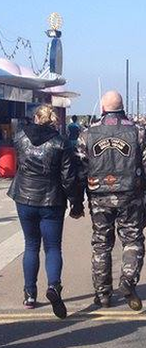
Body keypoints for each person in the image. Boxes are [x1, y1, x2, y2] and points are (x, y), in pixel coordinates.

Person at [72, 91, 146, 310]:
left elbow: (80, 168)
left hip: (99, 195)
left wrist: (81, 197)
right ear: (122, 107)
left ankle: (103, 294)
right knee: (132, 240)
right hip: (130, 194)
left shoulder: (87, 133)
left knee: (101, 243)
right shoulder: (138, 131)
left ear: (102, 108)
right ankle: (127, 281)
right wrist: (144, 187)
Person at [7, 105, 76, 319]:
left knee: (31, 245)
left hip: (24, 196)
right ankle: (54, 287)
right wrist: (75, 202)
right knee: (53, 247)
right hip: (51, 199)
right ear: (53, 120)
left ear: (36, 118)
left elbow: (20, 161)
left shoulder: (20, 137)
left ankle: (29, 293)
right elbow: (68, 177)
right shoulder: (60, 142)